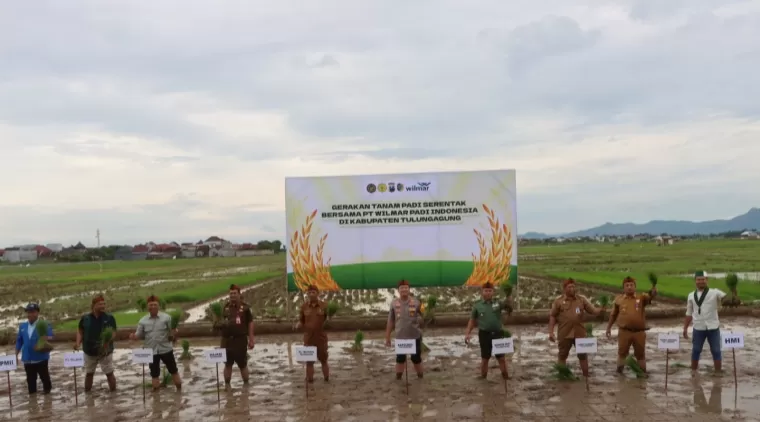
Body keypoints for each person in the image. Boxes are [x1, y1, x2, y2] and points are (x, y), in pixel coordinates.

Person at [548, 278, 604, 378]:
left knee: (583, 355)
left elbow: (593, 311)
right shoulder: (559, 301)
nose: (572, 289)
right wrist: (551, 332)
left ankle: (586, 375)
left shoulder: (581, 299)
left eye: (573, 286)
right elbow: (552, 316)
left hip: (580, 333)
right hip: (564, 333)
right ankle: (562, 375)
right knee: (562, 355)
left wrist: (601, 309)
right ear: (564, 289)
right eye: (569, 287)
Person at [605, 276, 658, 375]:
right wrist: (608, 328)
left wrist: (654, 290)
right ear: (624, 287)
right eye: (627, 285)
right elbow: (613, 315)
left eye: (631, 285)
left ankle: (642, 373)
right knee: (622, 353)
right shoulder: (619, 300)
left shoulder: (641, 298)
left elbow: (651, 295)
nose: (629, 287)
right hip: (624, 331)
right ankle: (619, 373)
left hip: (639, 332)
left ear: (635, 287)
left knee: (640, 355)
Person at [129, 295, 182, 391]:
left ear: (159, 306)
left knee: (173, 370)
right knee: (154, 374)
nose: (153, 307)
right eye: (150, 305)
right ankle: (156, 397)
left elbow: (173, 331)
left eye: (155, 305)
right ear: (147, 306)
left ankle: (179, 391)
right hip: (151, 351)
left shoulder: (167, 318)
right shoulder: (143, 321)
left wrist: (174, 332)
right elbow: (139, 335)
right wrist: (134, 337)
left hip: (166, 349)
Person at [465, 282, 513, 379]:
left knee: (502, 358)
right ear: (482, 292)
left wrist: (509, 295)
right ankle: (483, 377)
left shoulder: (498, 303)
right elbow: (472, 320)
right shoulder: (477, 306)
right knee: (485, 358)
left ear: (493, 292)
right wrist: (467, 333)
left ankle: (506, 377)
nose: (488, 293)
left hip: (498, 334)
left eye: (490, 291)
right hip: (484, 335)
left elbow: (509, 308)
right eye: (486, 291)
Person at [683, 270, 726, 375]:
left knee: (716, 351)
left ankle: (718, 372)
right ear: (695, 281)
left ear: (707, 280)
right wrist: (685, 328)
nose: (701, 281)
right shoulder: (691, 296)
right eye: (698, 280)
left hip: (713, 327)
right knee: (696, 350)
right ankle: (693, 372)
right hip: (698, 327)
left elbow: (725, 297)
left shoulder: (715, 292)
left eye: (703, 279)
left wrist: (732, 299)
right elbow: (689, 313)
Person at [75, 294, 118, 392]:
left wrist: (108, 341)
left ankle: (113, 394)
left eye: (104, 304)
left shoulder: (109, 318)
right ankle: (87, 394)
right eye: (100, 304)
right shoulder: (85, 318)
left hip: (105, 352)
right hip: (89, 351)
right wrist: (78, 343)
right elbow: (80, 331)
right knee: (89, 373)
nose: (103, 306)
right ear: (93, 305)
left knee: (109, 373)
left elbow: (114, 333)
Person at [215, 284, 255, 385]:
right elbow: (217, 323)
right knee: (227, 364)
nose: (232, 295)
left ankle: (246, 386)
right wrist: (218, 324)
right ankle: (227, 386)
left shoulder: (245, 308)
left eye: (234, 293)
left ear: (239, 294)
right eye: (230, 294)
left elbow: (250, 323)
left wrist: (251, 339)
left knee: (242, 364)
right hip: (227, 341)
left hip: (240, 341)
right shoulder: (224, 308)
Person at [385, 279, 424, 380]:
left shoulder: (416, 302)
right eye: (402, 288)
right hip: (400, 337)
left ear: (409, 289)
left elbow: (425, 314)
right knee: (400, 359)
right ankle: (398, 378)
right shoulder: (394, 303)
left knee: (416, 358)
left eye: (406, 288)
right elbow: (390, 321)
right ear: (398, 290)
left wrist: (428, 311)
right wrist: (387, 337)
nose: (404, 290)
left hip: (414, 336)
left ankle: (420, 376)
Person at [15, 303, 54, 395]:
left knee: (45, 379)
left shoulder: (44, 324)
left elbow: (51, 337)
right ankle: (33, 403)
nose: (30, 314)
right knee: (31, 382)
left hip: (41, 358)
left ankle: (48, 402)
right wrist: (16, 354)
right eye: (28, 312)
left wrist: (45, 339)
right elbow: (19, 341)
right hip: (27, 359)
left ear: (37, 313)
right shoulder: (22, 326)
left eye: (32, 312)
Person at [296, 285, 330, 382]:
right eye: (309, 292)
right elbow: (301, 321)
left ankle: (326, 378)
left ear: (317, 293)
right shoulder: (304, 307)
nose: (311, 294)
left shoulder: (324, 306)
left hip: (321, 338)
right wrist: (298, 324)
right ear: (307, 294)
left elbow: (329, 320)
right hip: (309, 339)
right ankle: (310, 379)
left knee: (324, 360)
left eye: (313, 292)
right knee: (309, 362)